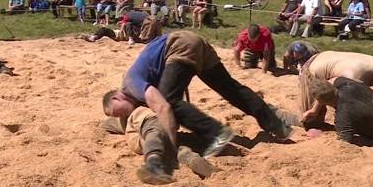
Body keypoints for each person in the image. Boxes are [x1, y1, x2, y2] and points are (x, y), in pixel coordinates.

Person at [103, 31, 294, 161]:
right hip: (195, 44)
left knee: (167, 101)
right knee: (231, 90)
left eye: (116, 112)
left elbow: (165, 106)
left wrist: (170, 146)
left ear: (117, 98)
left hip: (178, 45)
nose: (121, 117)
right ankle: (276, 125)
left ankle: (217, 134)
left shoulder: (130, 84)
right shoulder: (138, 91)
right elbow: (175, 89)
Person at [100, 104, 218, 185]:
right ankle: (190, 157)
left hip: (144, 138)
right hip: (146, 134)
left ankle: (190, 156)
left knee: (174, 143)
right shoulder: (137, 111)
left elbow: (106, 125)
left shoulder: (132, 111)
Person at [299, 52, 373, 127]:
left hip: (333, 58)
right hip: (313, 68)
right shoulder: (352, 76)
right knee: (313, 121)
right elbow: (327, 88)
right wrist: (314, 110)